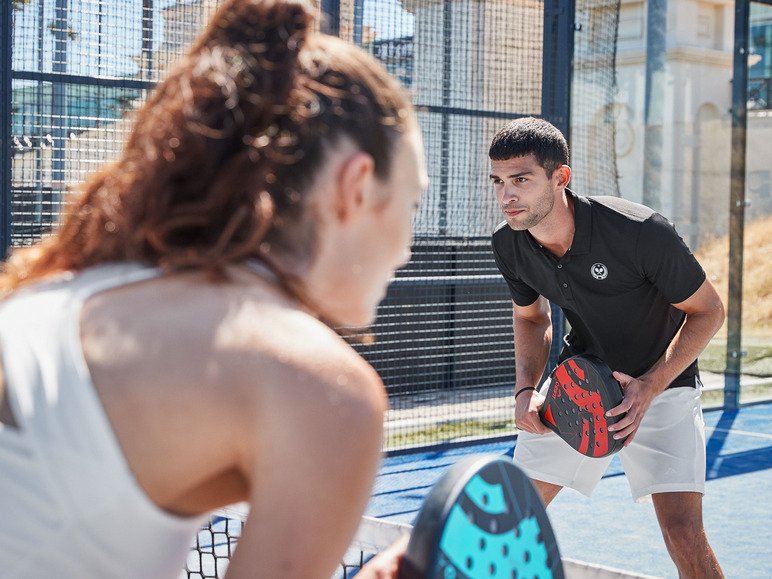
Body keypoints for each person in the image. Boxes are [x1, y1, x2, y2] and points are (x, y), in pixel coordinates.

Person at [0, 0, 427, 577]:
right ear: (355, 187)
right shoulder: (324, 390)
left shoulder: (63, 289)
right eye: (412, 202)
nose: (406, 247)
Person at [488, 117, 725, 578]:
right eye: (498, 181)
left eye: (521, 180)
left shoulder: (640, 232)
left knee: (683, 536)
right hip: (578, 388)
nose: (506, 195)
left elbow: (709, 311)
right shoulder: (509, 243)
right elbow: (530, 316)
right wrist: (524, 390)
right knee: (513, 522)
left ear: (561, 177)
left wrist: (650, 387)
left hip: (664, 386)